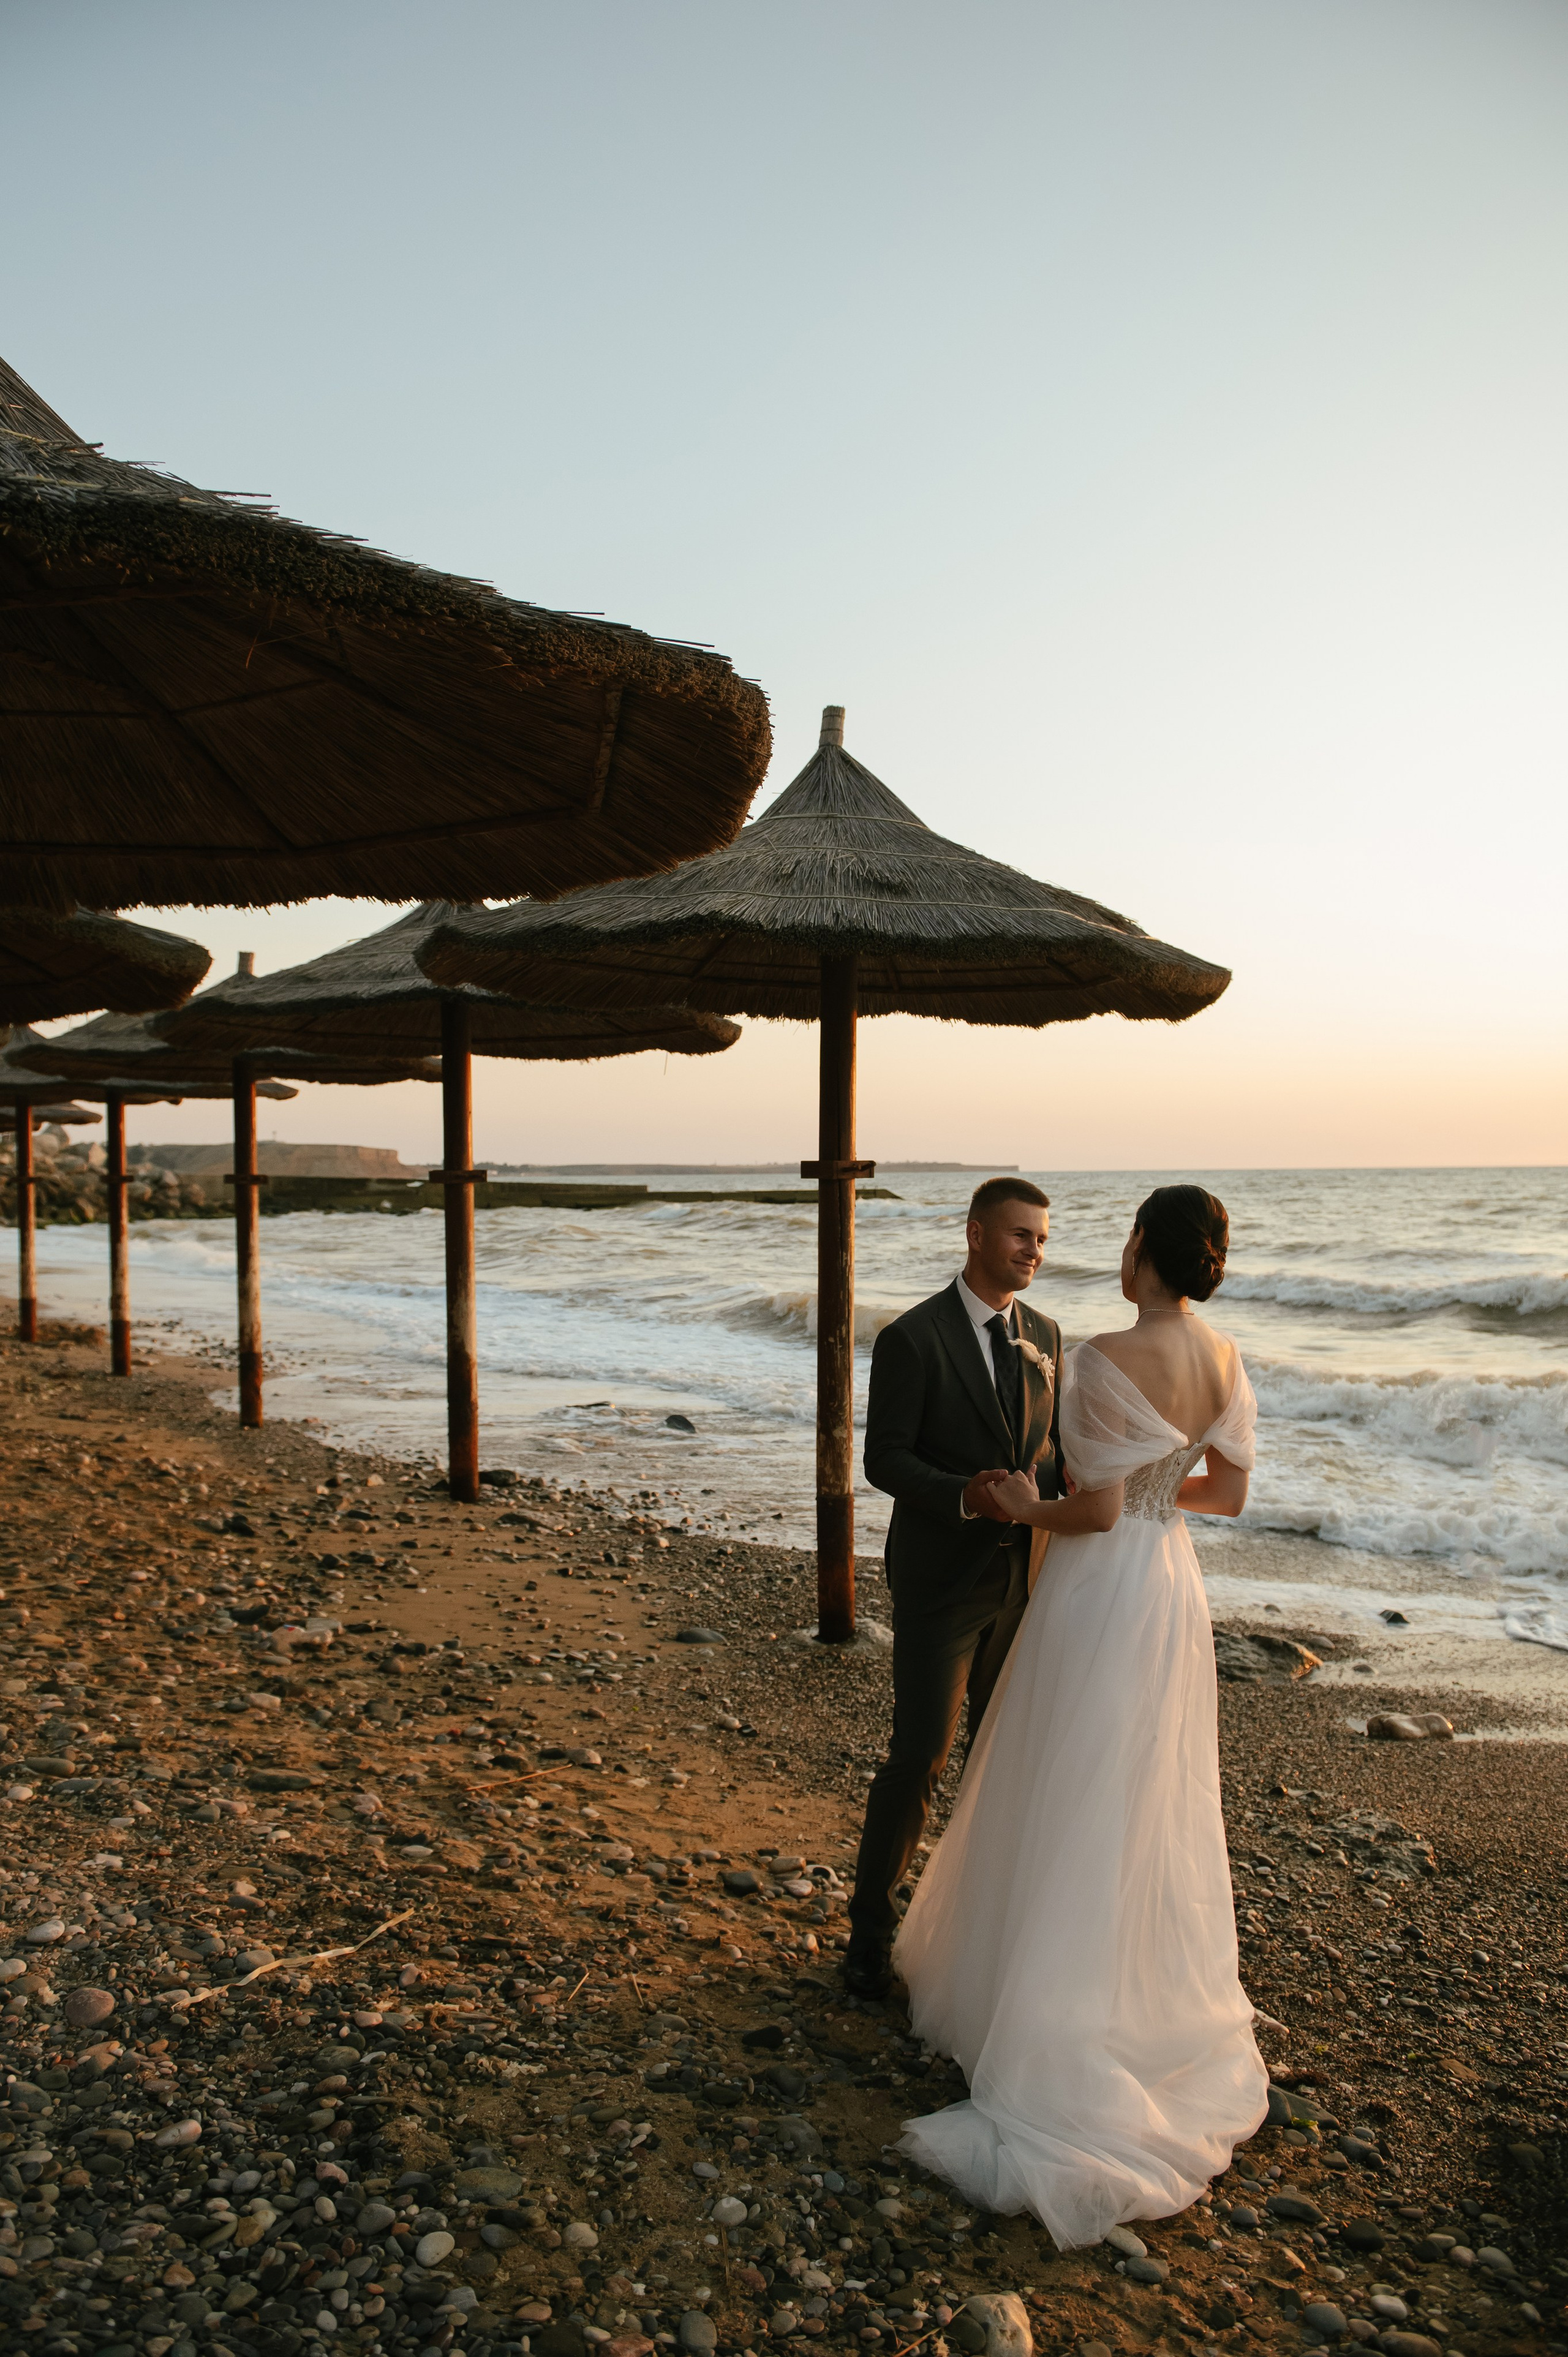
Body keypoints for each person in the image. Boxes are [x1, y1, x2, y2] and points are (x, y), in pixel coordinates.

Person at [893, 1183, 1268, 2249]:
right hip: (1171, 1589)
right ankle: (1135, 2001)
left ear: (1144, 1248)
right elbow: (1227, 1494)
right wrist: (1159, 1496)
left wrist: (1020, 1507)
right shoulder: (1228, 1359)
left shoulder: (1102, 1355)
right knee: (1142, 1787)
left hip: (1102, 1588)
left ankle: (1050, 2019)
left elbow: (1093, 1508)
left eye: (1125, 1237)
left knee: (1067, 1774)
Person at [845, 1177, 1065, 2001]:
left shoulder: (1046, 1332)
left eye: (1040, 1239)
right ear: (975, 1234)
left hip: (1027, 1577)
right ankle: (868, 1932)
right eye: (1018, 1236)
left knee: (1004, 1759)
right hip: (943, 1581)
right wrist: (963, 1494)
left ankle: (980, 1938)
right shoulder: (914, 1338)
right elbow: (885, 1459)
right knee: (922, 1757)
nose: (1032, 1251)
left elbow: (1052, 1453)